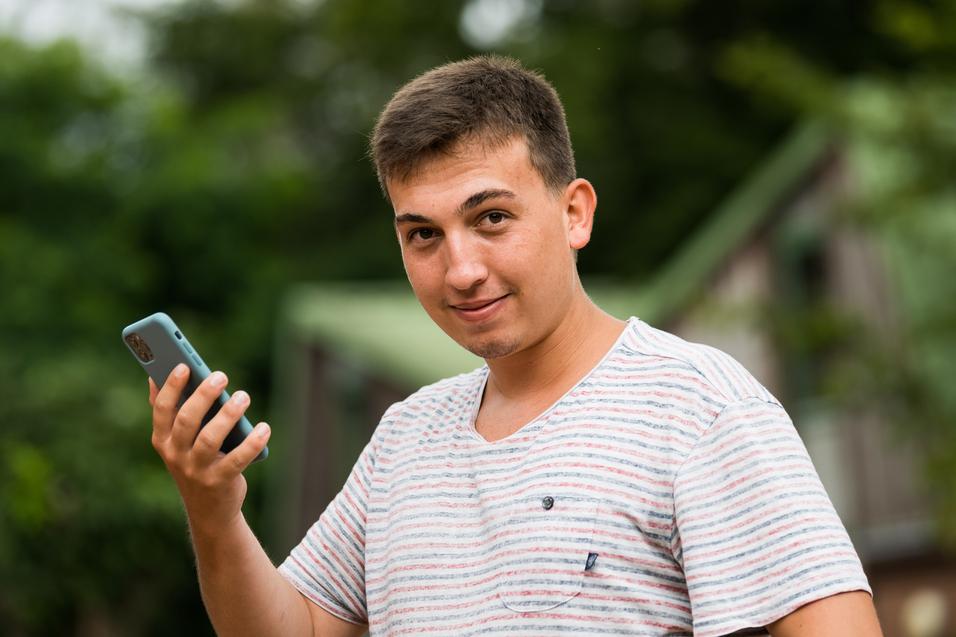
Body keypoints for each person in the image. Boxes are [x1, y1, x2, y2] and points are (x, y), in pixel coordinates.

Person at [148, 55, 883, 636]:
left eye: (492, 217)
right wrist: (213, 510)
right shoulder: (405, 438)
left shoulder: (693, 404)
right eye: (423, 235)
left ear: (575, 212)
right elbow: (295, 629)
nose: (461, 269)